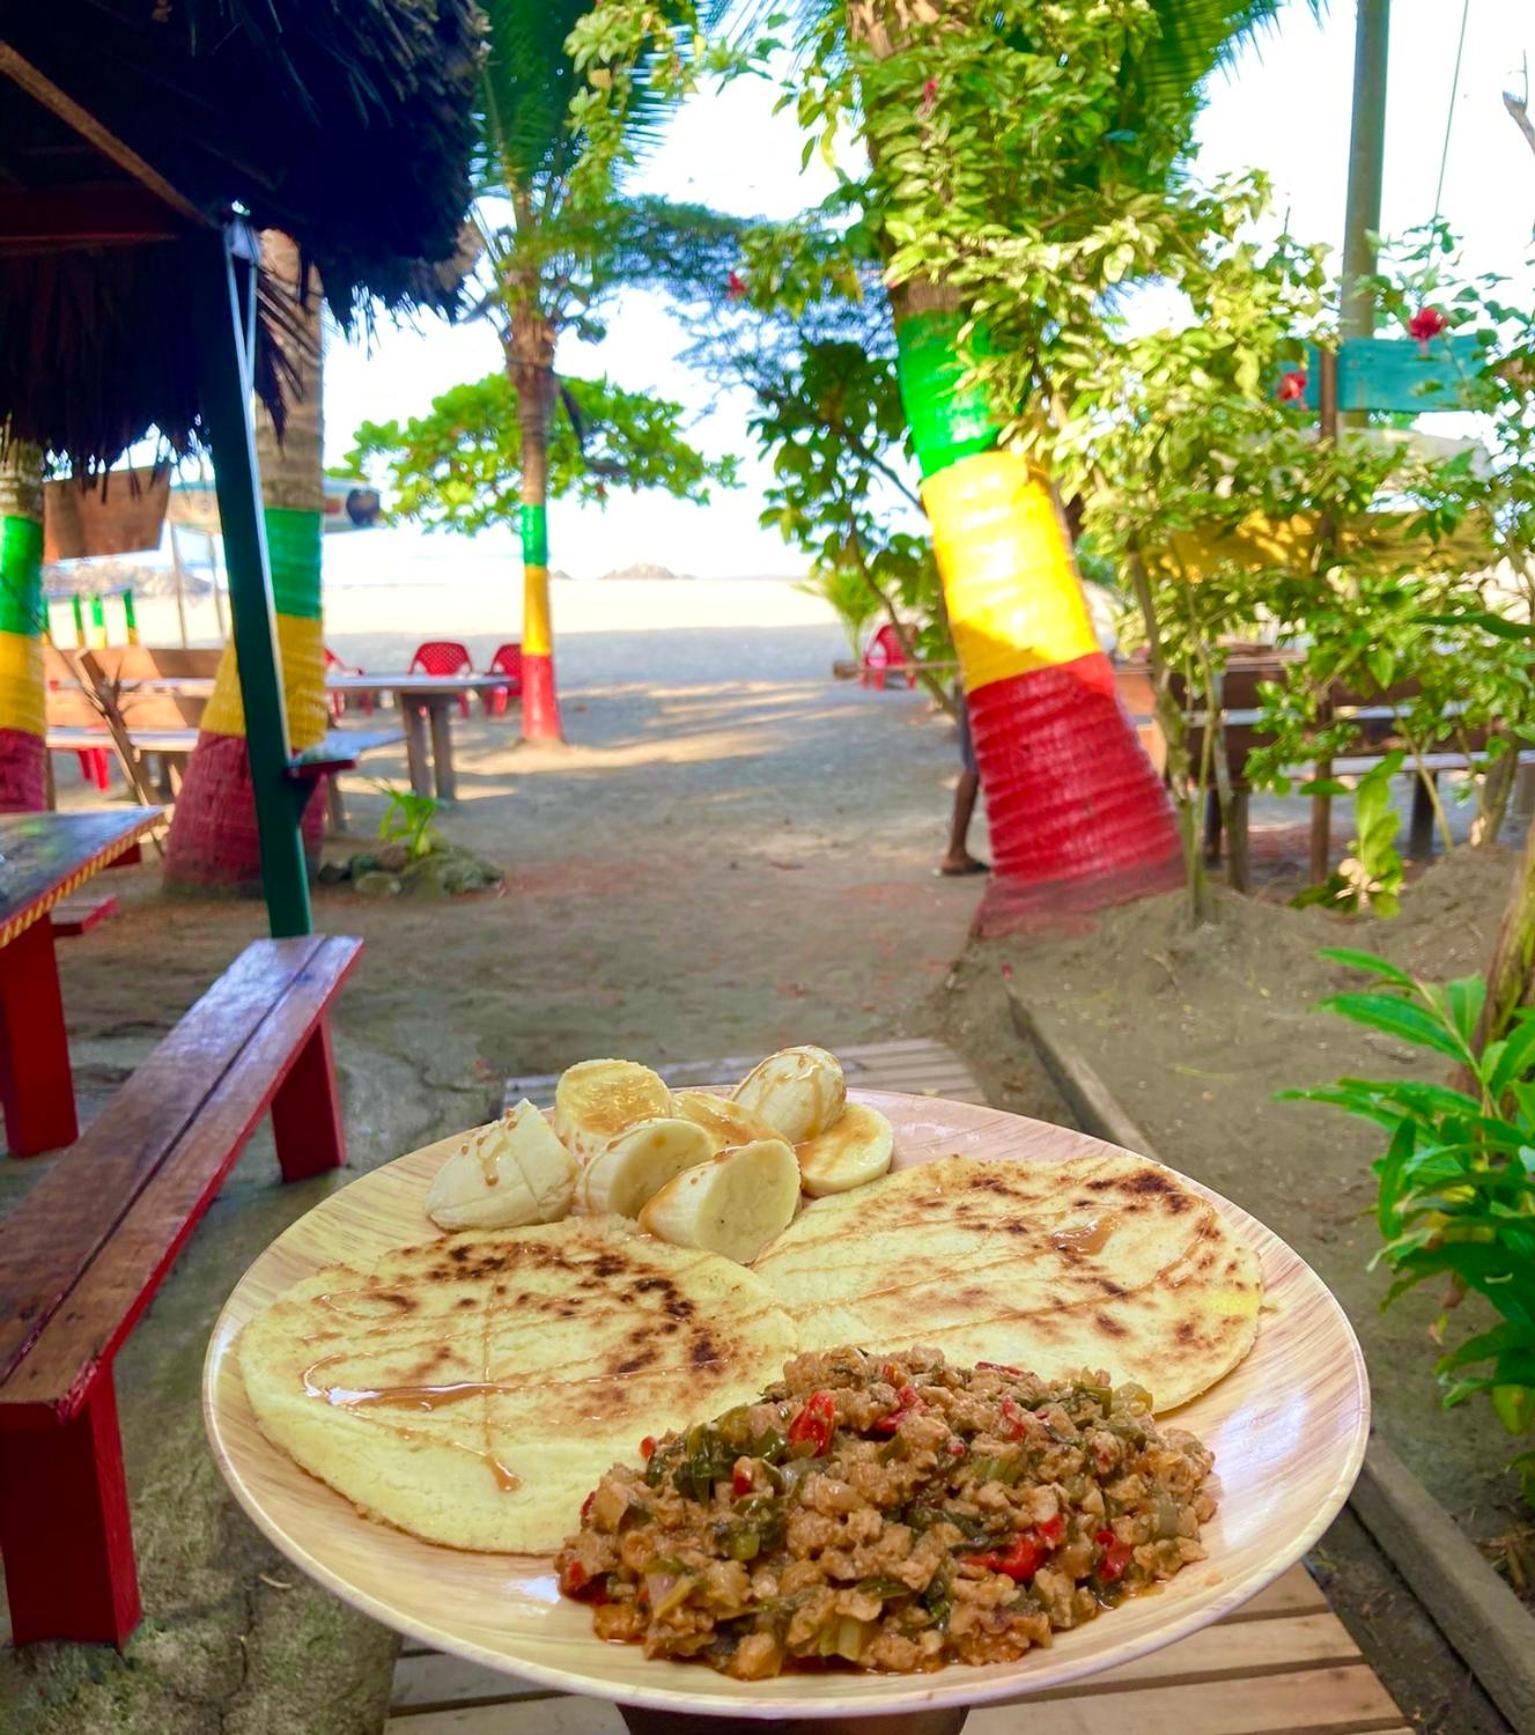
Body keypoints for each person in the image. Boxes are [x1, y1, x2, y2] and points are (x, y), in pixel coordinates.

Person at [939, 682, 989, 876]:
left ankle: (956, 851)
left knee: (973, 767)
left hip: (976, 687)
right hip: (986, 690)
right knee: (973, 769)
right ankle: (955, 852)